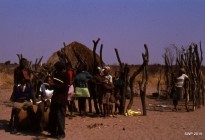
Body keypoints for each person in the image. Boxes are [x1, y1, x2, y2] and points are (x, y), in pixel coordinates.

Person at [9, 58, 35, 134]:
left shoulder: (26, 70)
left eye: (25, 63)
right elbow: (15, 79)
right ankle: (14, 126)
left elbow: (28, 79)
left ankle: (33, 125)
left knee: (31, 109)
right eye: (23, 63)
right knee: (15, 108)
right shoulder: (16, 70)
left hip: (26, 92)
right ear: (20, 63)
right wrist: (16, 86)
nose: (24, 64)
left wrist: (33, 99)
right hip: (18, 88)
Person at [48, 61, 69, 139]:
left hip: (61, 99)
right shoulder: (56, 74)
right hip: (55, 98)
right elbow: (53, 86)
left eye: (56, 68)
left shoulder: (66, 75)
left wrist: (54, 85)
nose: (55, 69)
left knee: (60, 116)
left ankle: (61, 133)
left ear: (60, 68)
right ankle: (53, 132)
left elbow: (64, 87)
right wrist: (50, 85)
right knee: (52, 116)